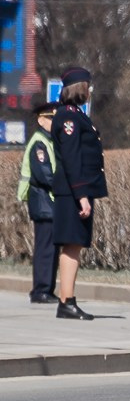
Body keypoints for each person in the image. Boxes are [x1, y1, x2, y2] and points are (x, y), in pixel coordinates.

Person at [47, 67, 106, 321]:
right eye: (88, 86)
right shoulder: (69, 118)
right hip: (73, 193)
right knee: (71, 246)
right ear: (79, 88)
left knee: (74, 246)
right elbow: (71, 160)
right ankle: (66, 301)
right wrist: (82, 196)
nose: (90, 91)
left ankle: (67, 300)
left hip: (75, 192)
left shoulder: (74, 115)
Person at [19, 102, 57, 302]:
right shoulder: (39, 143)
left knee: (51, 247)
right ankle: (41, 290)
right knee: (45, 248)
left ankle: (46, 289)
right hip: (43, 202)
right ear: (41, 120)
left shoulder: (50, 140)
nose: (54, 123)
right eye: (50, 119)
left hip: (49, 202)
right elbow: (44, 174)